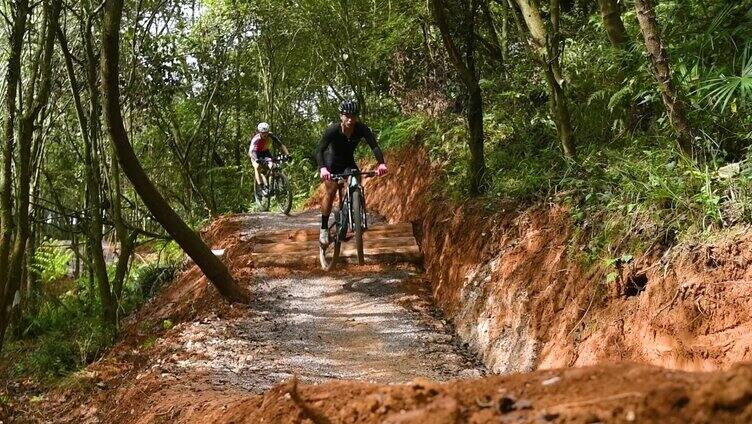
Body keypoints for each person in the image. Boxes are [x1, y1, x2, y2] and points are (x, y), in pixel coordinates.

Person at [315, 100, 387, 245]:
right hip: (331, 162)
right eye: (347, 115)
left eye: (353, 116)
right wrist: (323, 168)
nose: (350, 119)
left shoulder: (361, 129)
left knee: (356, 182)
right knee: (331, 190)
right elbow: (319, 150)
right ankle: (323, 228)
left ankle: (355, 209)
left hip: (348, 162)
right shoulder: (333, 130)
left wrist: (381, 164)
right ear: (341, 116)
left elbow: (374, 146)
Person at [248, 122, 289, 195]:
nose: (265, 134)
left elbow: (281, 145)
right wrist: (257, 160)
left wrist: (287, 154)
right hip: (255, 153)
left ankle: (274, 186)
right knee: (257, 167)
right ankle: (262, 188)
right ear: (260, 132)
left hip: (265, 152)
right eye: (263, 133)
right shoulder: (256, 139)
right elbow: (251, 152)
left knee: (272, 166)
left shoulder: (271, 135)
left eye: (266, 132)